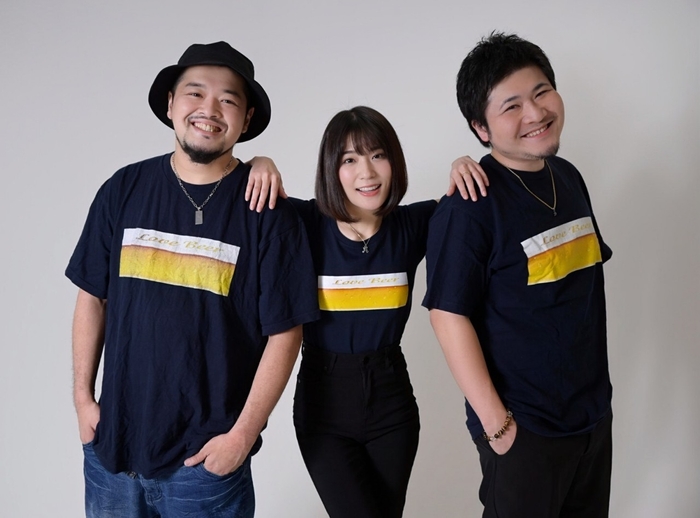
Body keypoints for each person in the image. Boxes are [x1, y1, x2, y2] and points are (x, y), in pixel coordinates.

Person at [66, 41, 319, 517]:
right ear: (170, 104)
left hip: (204, 468)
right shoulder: (123, 189)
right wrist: (83, 400)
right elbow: (91, 298)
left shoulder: (267, 213)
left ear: (246, 119)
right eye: (195, 93)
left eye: (228, 99)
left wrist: (241, 437)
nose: (209, 109)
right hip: (111, 452)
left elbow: (286, 333)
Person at [250, 106, 488, 517]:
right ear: (331, 169)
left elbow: (469, 205)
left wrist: (463, 163)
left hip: (392, 404)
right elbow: (242, 191)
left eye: (378, 155)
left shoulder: (414, 224)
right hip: (323, 407)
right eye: (350, 160)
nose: (367, 172)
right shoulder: (304, 223)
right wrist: (260, 161)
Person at [423, 32, 614, 518]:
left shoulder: (567, 176)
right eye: (511, 106)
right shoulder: (468, 207)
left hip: (591, 418)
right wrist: (498, 425)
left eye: (541, 92)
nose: (535, 113)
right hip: (524, 429)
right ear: (481, 128)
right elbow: (447, 316)